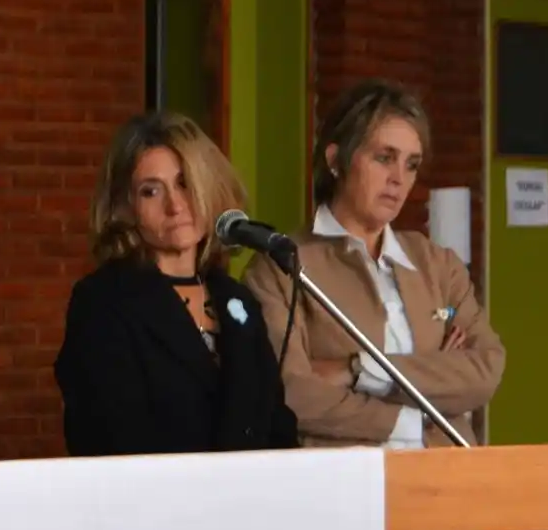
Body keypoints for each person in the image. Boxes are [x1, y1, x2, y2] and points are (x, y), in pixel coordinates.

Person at [242, 80, 505, 448]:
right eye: (384, 158)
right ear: (336, 161)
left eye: (411, 165)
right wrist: (417, 411)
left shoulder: (437, 264)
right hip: (345, 486)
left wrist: (357, 370)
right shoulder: (280, 266)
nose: (399, 179)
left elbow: (485, 369)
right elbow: (293, 393)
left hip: (449, 478)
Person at [53, 110, 298, 457]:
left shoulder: (236, 299)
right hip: (160, 504)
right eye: (151, 191)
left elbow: (277, 426)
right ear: (126, 207)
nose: (176, 205)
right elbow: (106, 439)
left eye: (185, 183)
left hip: (252, 502)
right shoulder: (103, 303)